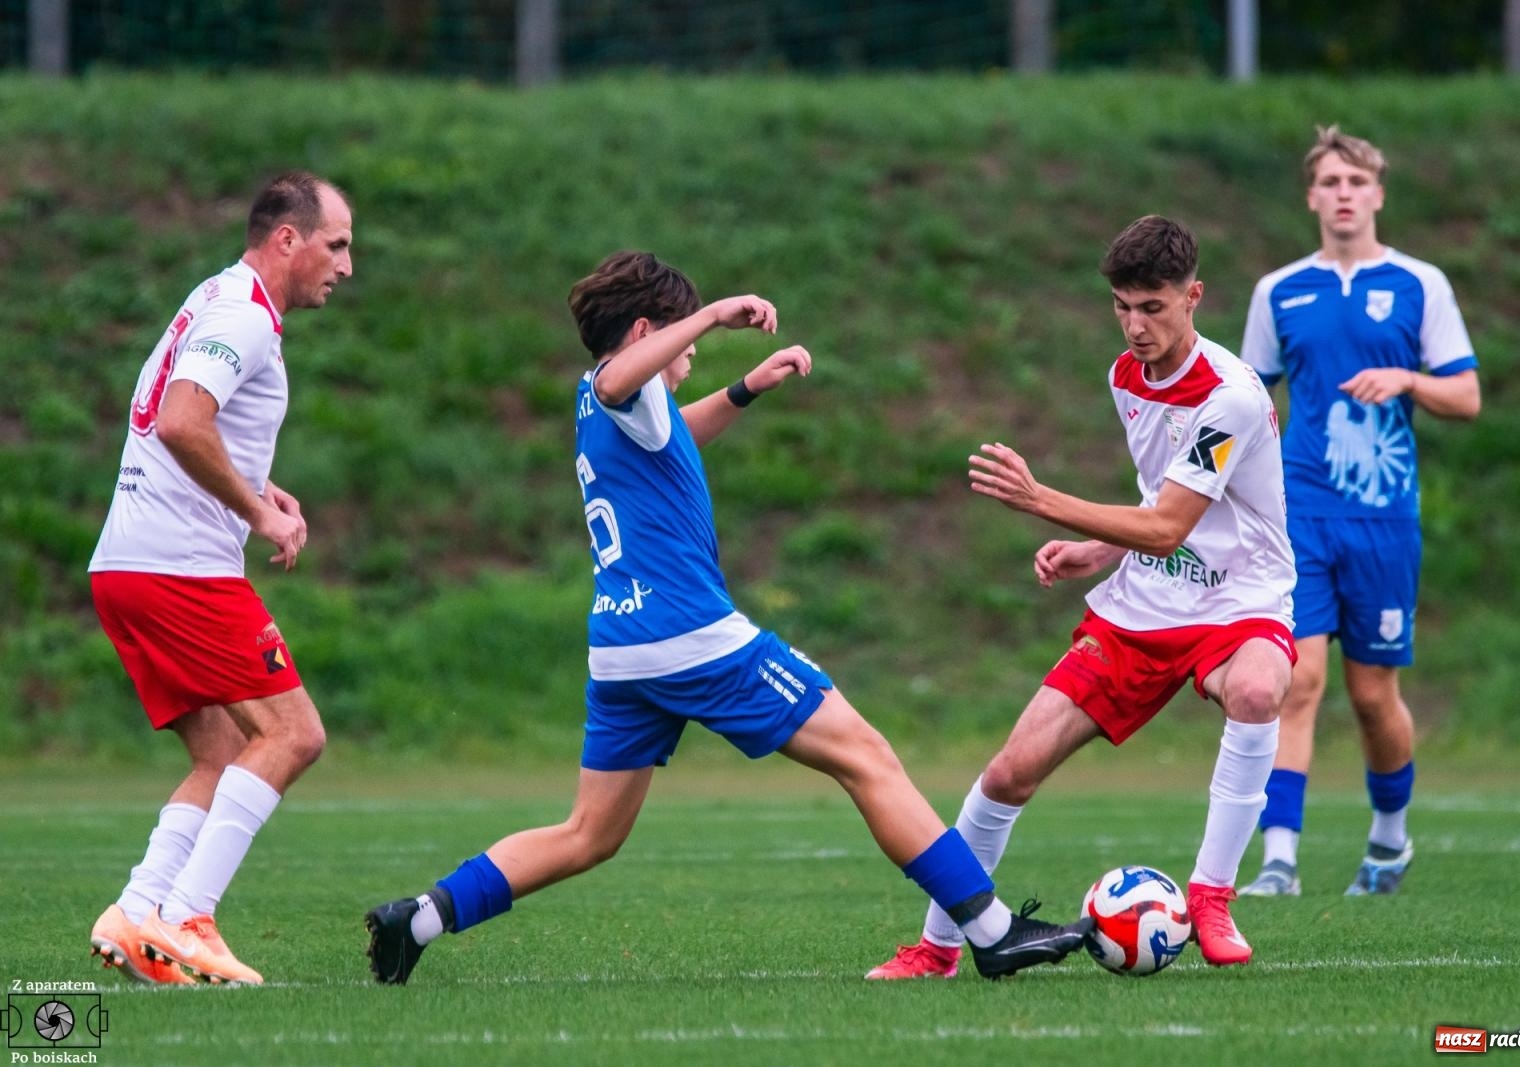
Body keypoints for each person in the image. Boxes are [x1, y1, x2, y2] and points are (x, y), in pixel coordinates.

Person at [364, 251, 1092, 984]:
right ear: (652, 330)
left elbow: (670, 437)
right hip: (690, 638)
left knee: (588, 833)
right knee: (866, 755)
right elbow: (625, 376)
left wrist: (745, 388)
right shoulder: (618, 384)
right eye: (685, 338)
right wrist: (712, 314)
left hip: (622, 649)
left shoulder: (609, 406)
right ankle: (992, 931)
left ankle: (416, 918)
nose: (693, 353)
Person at [868, 215, 1295, 979]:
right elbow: (1160, 500)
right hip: (1143, 605)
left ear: (1194, 296)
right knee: (1008, 773)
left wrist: (1041, 501)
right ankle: (935, 948)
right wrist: (1099, 547)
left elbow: (1167, 526)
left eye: (1153, 307)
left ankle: (1211, 894)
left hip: (1240, 601)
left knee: (1261, 688)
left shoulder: (1229, 396)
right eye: (1123, 307)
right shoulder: (1124, 376)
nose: (1135, 326)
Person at [87, 171, 354, 985]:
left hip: (127, 568)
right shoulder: (243, 316)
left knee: (223, 748)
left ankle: (137, 911)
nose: (345, 265)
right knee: (294, 733)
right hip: (178, 570)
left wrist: (253, 487)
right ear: (287, 239)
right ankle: (187, 917)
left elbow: (178, 414)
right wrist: (259, 513)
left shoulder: (216, 296)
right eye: (336, 244)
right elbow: (179, 420)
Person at [1237, 126, 1480, 898]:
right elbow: (1249, 403)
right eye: (1330, 181)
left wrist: (1406, 379)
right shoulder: (1279, 291)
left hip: (1382, 521)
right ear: (1311, 196)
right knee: (1295, 679)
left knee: (1373, 697)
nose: (1343, 193)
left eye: (1356, 181)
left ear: (1377, 194)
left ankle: (1389, 841)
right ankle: (1279, 860)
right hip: (1300, 514)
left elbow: (1467, 397)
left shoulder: (1420, 285)